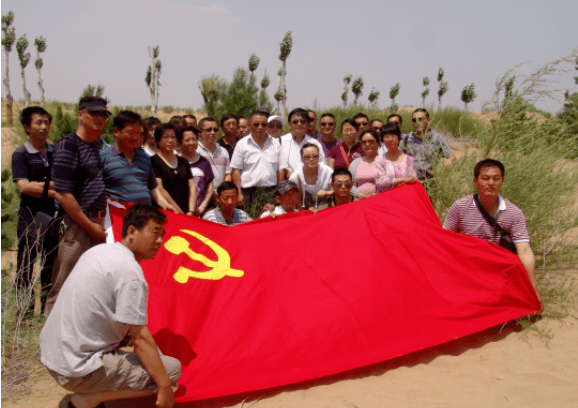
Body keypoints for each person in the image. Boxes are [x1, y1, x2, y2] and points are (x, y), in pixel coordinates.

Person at [39, 204, 181, 408]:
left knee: (144, 356)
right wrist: (165, 388)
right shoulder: (130, 273)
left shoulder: (100, 251)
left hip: (53, 354)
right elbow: (141, 338)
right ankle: (88, 400)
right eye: (154, 232)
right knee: (170, 370)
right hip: (74, 368)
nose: (159, 241)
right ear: (132, 231)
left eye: (162, 235)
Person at [44, 96, 111, 317]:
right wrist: (89, 226)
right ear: (80, 114)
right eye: (94, 114)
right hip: (77, 224)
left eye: (103, 115)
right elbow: (63, 194)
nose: (99, 118)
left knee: (91, 286)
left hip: (97, 223)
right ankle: (49, 342)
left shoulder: (96, 146)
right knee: (64, 282)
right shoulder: (68, 145)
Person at [443, 159, 541, 305]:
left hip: (497, 271)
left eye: (496, 178)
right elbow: (443, 239)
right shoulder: (460, 207)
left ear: (502, 181)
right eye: (485, 178)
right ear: (476, 181)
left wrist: (533, 290)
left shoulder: (513, 213)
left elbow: (525, 251)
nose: (491, 183)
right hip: (466, 268)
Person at [12, 106, 58, 315]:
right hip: (31, 215)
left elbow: (62, 182)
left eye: (46, 122)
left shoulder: (55, 152)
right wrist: (54, 190)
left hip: (53, 214)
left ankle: (47, 311)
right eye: (38, 123)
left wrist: (42, 186)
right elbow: (24, 186)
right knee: (26, 262)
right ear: (26, 127)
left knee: (50, 261)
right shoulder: (21, 154)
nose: (43, 127)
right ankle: (24, 311)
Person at [101, 111, 178, 211]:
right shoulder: (102, 157)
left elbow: (152, 188)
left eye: (137, 133)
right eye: (130, 133)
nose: (135, 138)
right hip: (117, 218)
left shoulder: (144, 157)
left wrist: (165, 204)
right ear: (116, 131)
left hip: (145, 216)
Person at [230, 111, 283, 213]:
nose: (260, 127)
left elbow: (280, 170)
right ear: (249, 125)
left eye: (263, 124)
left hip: (270, 192)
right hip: (248, 193)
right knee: (249, 224)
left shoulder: (276, 144)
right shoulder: (242, 144)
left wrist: (279, 192)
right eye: (256, 124)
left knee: (269, 225)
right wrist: (239, 193)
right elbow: (236, 170)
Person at [400, 109, 455, 186]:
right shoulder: (406, 138)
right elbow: (397, 158)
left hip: (430, 183)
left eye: (420, 119)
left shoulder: (438, 138)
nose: (417, 123)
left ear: (428, 120)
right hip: (410, 183)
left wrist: (448, 162)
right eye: (414, 120)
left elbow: (451, 156)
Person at [151, 124, 197, 214]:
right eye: (165, 137)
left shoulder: (183, 161)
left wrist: (191, 211)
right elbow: (159, 188)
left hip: (187, 212)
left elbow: (192, 187)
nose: (170, 140)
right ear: (158, 140)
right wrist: (177, 211)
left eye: (173, 137)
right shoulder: (153, 161)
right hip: (166, 211)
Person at [178, 126, 214, 217]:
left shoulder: (204, 162)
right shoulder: (175, 162)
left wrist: (202, 207)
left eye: (194, 139)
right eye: (187, 140)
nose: (191, 142)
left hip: (199, 212)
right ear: (180, 142)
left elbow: (210, 187)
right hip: (179, 212)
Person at [279, 108, 326, 178]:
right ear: (289, 124)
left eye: (303, 121)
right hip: (287, 183)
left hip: (310, 183)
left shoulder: (315, 144)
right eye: (295, 121)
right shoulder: (281, 142)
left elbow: (322, 165)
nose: (299, 124)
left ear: (307, 124)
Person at [289, 143, 334, 211]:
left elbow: (338, 191)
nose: (311, 159)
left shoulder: (328, 172)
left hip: (326, 209)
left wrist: (326, 193)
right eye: (307, 157)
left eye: (315, 156)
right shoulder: (295, 177)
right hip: (303, 210)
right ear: (301, 159)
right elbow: (292, 198)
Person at [349, 129, 393, 198]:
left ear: (378, 142)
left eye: (371, 141)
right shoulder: (355, 163)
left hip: (382, 200)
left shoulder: (387, 162)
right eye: (364, 142)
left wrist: (379, 195)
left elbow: (393, 183)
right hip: (359, 202)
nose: (367, 144)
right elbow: (349, 184)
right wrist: (360, 195)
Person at [197, 117, 232, 190]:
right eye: (209, 130)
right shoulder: (195, 151)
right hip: (201, 195)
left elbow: (228, 174)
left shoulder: (223, 151)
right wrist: (210, 193)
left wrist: (221, 192)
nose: (213, 132)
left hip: (220, 196)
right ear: (199, 132)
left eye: (215, 130)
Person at [381, 123, 419, 187]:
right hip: (386, 195)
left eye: (393, 136)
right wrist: (404, 179)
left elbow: (413, 180)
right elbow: (380, 182)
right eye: (386, 136)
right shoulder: (379, 160)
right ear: (382, 139)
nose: (390, 139)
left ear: (399, 138)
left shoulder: (409, 159)